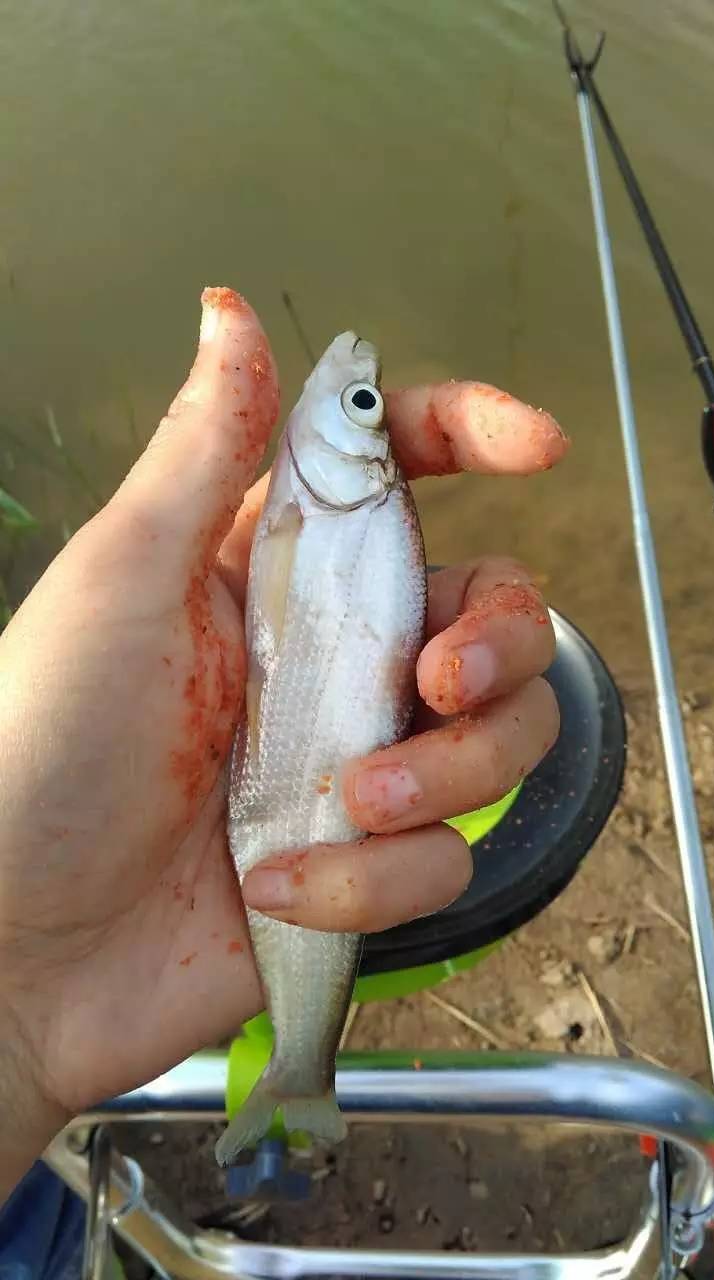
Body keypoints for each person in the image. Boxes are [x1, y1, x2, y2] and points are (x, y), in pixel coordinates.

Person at [0, 288, 566, 1258]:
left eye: (360, 408)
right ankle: (296, 1071)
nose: (352, 385)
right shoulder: (332, 503)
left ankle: (301, 1066)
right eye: (363, 406)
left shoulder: (338, 505)